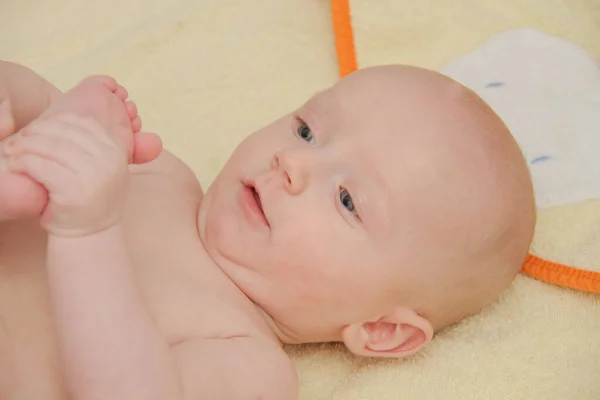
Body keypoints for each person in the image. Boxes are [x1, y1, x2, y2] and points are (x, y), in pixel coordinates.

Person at [0, 60, 535, 399]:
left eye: (348, 199)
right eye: (307, 130)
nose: (292, 163)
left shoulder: (247, 361)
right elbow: (41, 110)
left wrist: (88, 235)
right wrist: (40, 104)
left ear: (380, 329)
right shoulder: (158, 171)